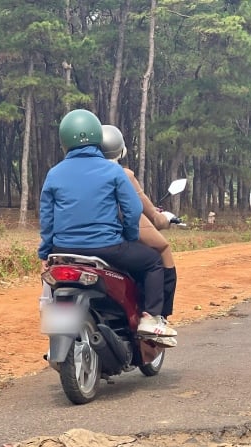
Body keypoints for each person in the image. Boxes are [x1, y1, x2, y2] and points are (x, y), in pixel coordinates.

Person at [38, 109, 176, 342]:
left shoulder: (54, 173)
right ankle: (151, 317)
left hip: (64, 249)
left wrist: (46, 250)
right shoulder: (113, 171)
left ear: (64, 140)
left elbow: (47, 218)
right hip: (107, 247)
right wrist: (130, 236)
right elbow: (132, 210)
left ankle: (51, 312)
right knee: (153, 262)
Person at [100, 124, 179, 320]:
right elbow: (140, 209)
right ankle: (156, 316)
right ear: (120, 150)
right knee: (161, 251)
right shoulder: (123, 174)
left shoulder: (78, 172)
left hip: (73, 239)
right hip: (112, 235)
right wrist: (161, 219)